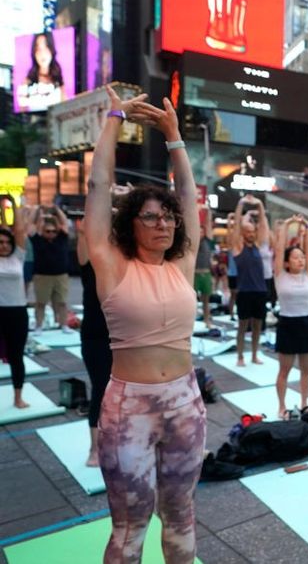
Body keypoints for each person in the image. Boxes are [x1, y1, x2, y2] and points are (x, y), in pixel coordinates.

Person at [86, 87, 204, 562]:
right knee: (130, 525)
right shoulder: (111, 264)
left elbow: (190, 197)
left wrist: (175, 137)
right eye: (149, 217)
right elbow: (98, 189)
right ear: (129, 224)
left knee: (181, 514)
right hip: (128, 408)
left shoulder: (181, 264)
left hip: (184, 401)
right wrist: (113, 119)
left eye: (168, 218)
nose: (162, 225)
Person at [76, 216, 113, 467]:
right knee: (100, 389)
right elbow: (84, 236)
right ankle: (94, 448)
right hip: (95, 335)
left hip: (122, 335)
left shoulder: (120, 267)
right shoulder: (89, 266)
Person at [273, 215, 308, 419]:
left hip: (307, 324)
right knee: (285, 370)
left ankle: (305, 402)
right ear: (287, 263)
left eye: (302, 257)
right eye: (295, 257)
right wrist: (288, 224)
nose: (300, 259)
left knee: (306, 370)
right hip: (288, 324)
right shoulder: (280, 276)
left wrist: (307, 226)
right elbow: (280, 248)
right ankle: (281, 406)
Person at [228, 195, 270, 366]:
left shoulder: (259, 246)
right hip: (244, 291)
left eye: (253, 231)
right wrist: (240, 204)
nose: (251, 234)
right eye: (248, 232)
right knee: (242, 326)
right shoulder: (238, 248)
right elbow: (237, 226)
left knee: (258, 327)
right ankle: (240, 356)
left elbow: (264, 227)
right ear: (243, 234)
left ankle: (254, 354)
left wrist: (260, 206)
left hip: (260, 291)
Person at [0, 198, 30, 409]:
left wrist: (12, 204)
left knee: (16, 356)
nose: (4, 245)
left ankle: (17, 397)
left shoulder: (17, 257)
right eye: (0, 242)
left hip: (18, 313)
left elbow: (17, 230)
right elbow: (4, 230)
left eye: (6, 242)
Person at [29, 204, 71, 331]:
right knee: (41, 302)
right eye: (48, 231)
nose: (51, 233)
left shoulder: (62, 238)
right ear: (42, 230)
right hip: (42, 276)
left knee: (62, 302)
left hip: (61, 275)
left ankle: (63, 324)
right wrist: (36, 210)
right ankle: (39, 326)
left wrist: (56, 209)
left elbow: (64, 222)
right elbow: (31, 224)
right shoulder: (37, 239)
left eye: (54, 231)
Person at [17, 31, 65, 110]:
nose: (42, 54)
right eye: (38, 49)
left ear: (51, 49)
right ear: (34, 52)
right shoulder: (26, 82)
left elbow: (65, 106)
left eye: (46, 47)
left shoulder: (58, 79)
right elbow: (22, 111)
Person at [194, 205, 215, 328]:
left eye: (202, 231)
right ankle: (190, 322)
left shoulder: (208, 240)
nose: (201, 232)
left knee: (206, 301)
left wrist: (208, 212)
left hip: (206, 273)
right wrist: (196, 211)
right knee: (192, 302)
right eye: (199, 231)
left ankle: (207, 320)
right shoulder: (193, 241)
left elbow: (208, 225)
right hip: (195, 274)